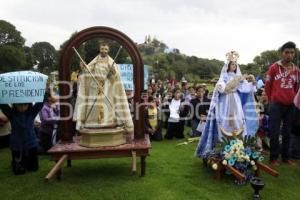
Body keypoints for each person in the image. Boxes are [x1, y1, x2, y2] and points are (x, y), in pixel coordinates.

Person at [195, 51, 258, 156]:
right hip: (225, 102)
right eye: (232, 64)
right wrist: (230, 84)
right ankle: (223, 148)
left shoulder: (239, 77)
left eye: (235, 64)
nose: (234, 66)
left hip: (236, 100)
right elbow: (221, 88)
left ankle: (240, 147)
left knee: (238, 120)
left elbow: (244, 88)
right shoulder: (223, 77)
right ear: (228, 65)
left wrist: (253, 82)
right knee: (224, 121)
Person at [73, 43, 133, 133]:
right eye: (102, 49)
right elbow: (88, 72)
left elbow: (115, 78)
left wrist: (113, 72)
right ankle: (91, 123)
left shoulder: (111, 61)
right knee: (93, 105)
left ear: (108, 50)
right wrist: (84, 67)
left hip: (107, 87)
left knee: (107, 105)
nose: (103, 51)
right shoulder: (95, 61)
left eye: (105, 49)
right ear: (99, 49)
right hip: (95, 86)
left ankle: (107, 122)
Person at [265, 41, 300, 166]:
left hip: (290, 106)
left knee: (287, 132)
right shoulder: (274, 67)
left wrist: (292, 100)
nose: (289, 55)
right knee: (274, 132)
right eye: (287, 52)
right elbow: (267, 85)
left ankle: (286, 157)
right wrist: (271, 100)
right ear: (282, 53)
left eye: (292, 52)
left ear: (294, 54)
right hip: (276, 105)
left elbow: (296, 88)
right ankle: (273, 158)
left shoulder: (296, 70)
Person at [0, 102, 43, 175]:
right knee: (19, 171)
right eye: (19, 105)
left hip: (31, 144)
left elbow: (40, 103)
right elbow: (3, 105)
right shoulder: (12, 114)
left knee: (33, 169)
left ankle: (25, 162)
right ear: (15, 105)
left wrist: (45, 92)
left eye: (25, 105)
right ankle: (16, 162)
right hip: (17, 145)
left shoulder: (31, 113)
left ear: (28, 105)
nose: (22, 107)